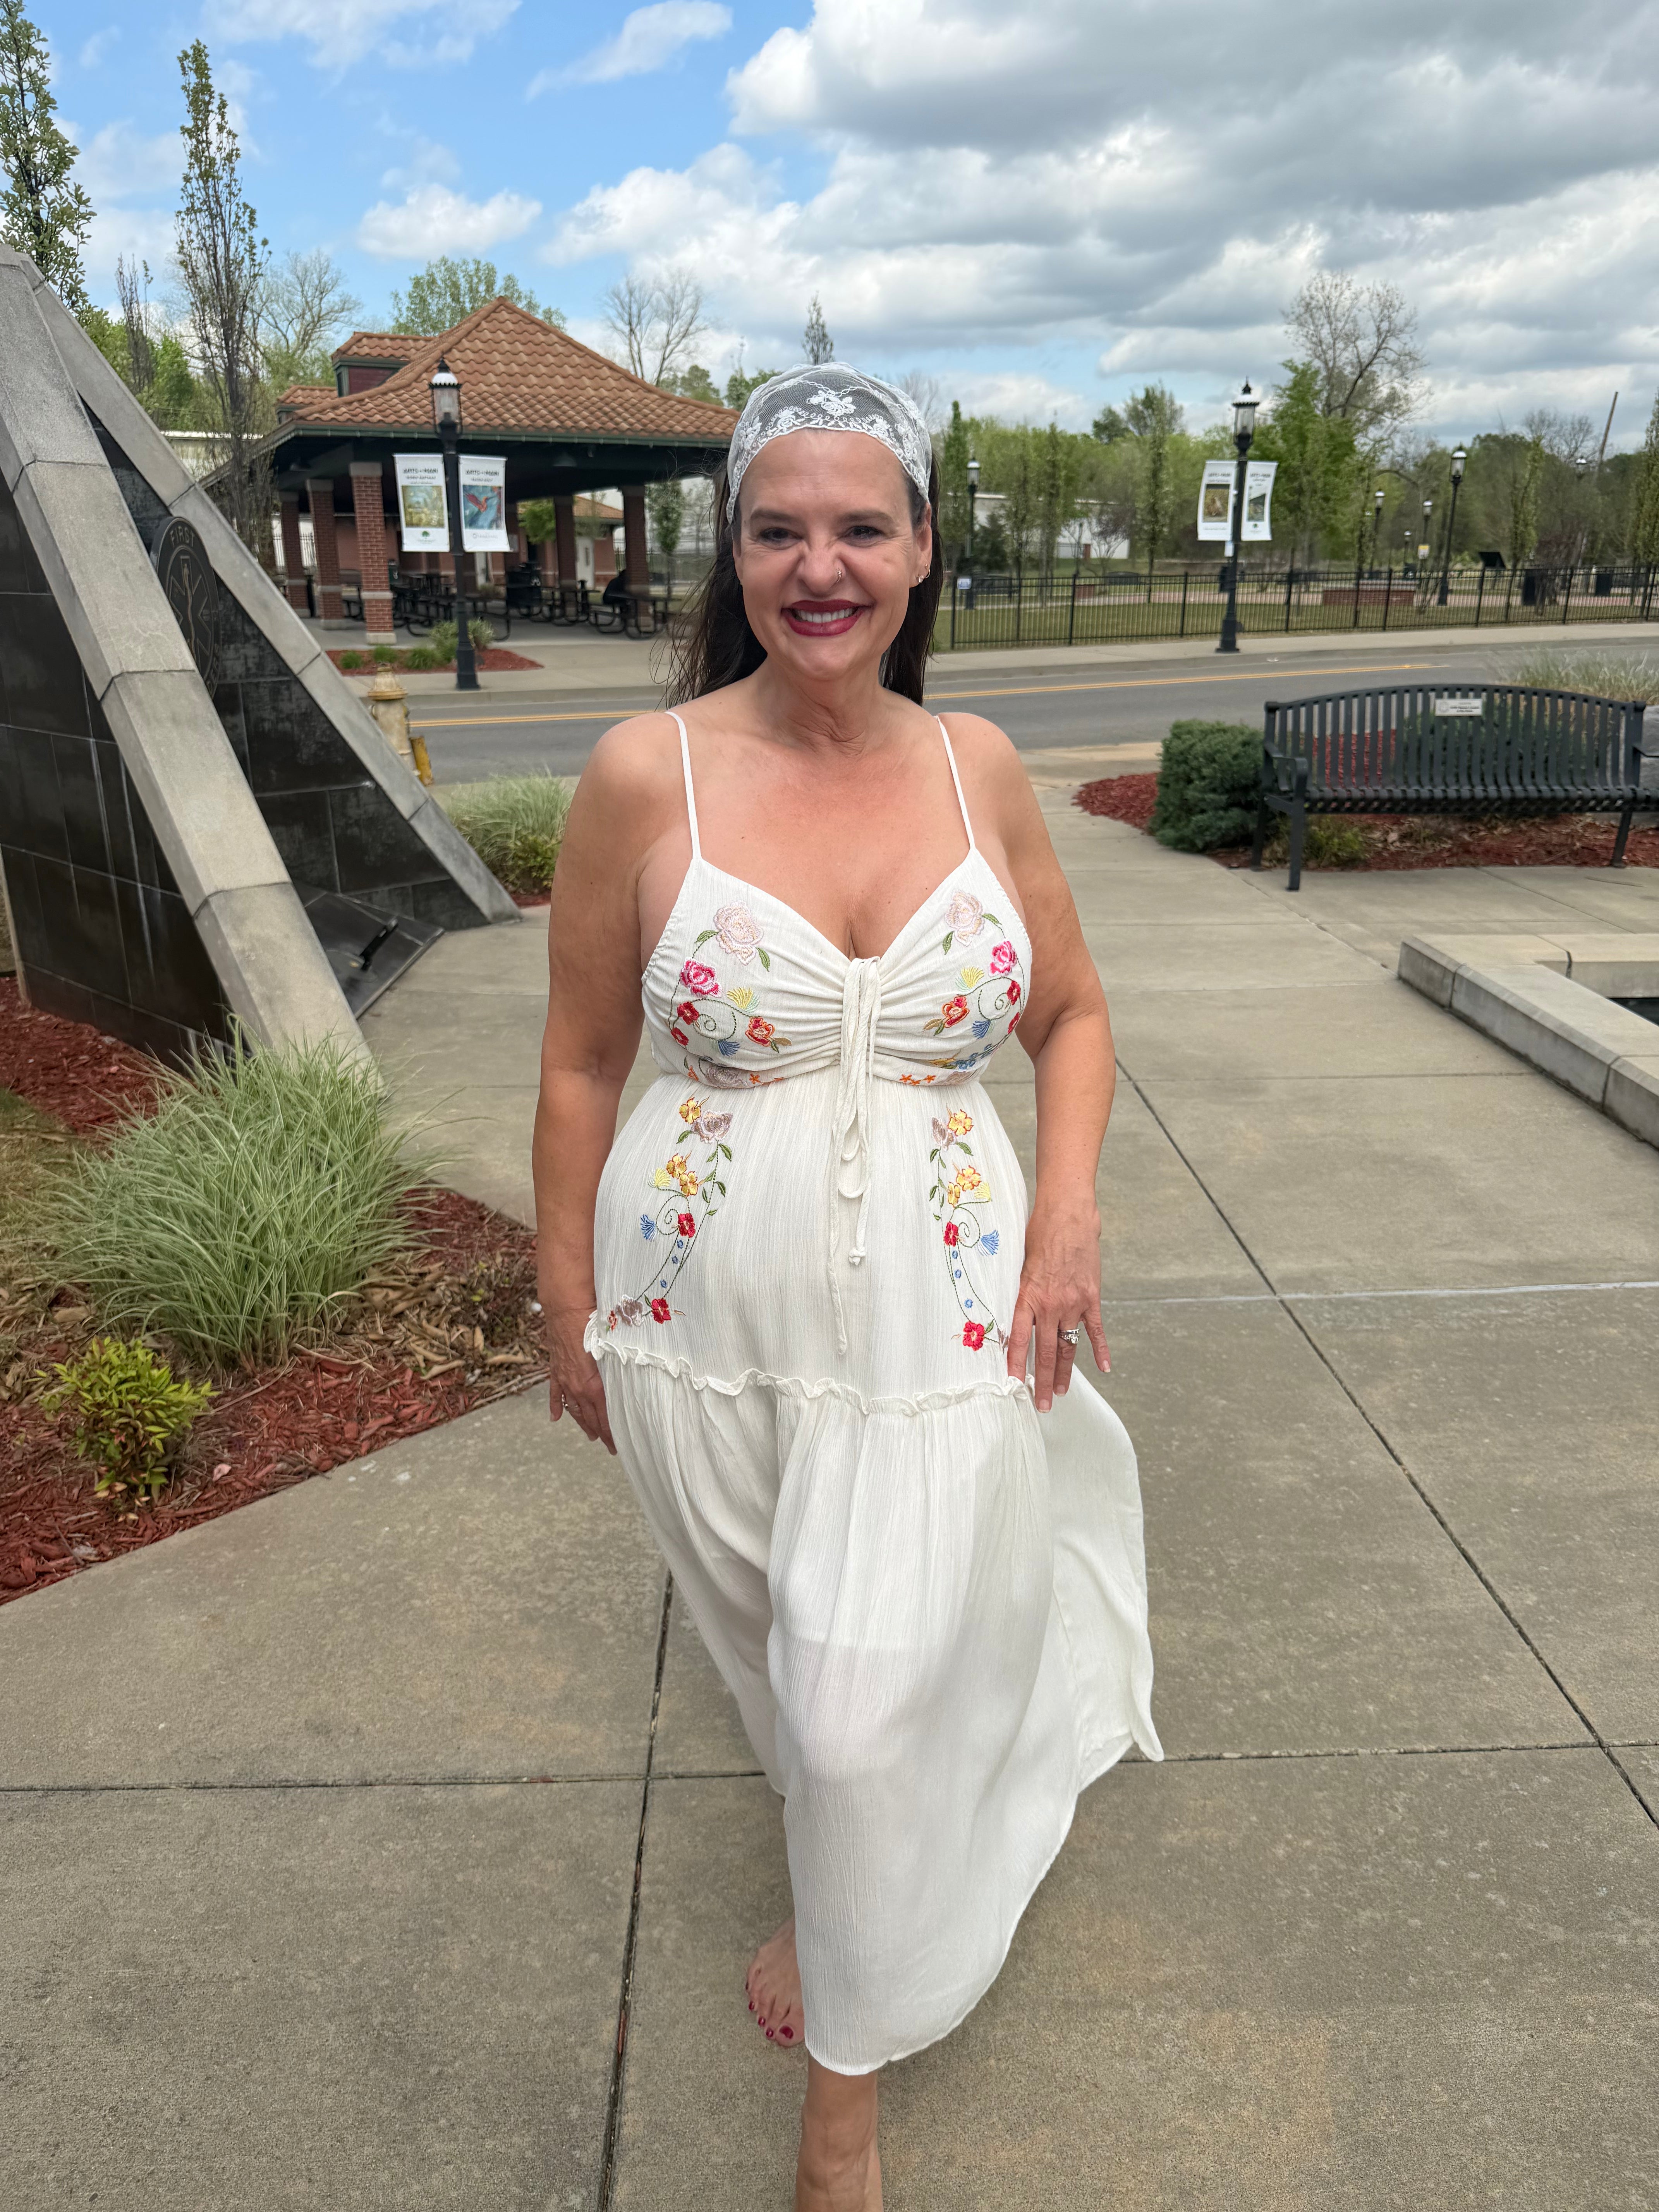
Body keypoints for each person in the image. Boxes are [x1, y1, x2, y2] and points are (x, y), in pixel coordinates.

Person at [533, 363, 1159, 2210]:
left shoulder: (976, 769)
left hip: (949, 1320)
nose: (822, 564)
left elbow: (1075, 1013)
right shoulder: (646, 775)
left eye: (861, 526)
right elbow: (580, 1061)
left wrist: (1068, 1220)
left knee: (867, 1695)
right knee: (784, 1666)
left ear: (921, 553)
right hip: (699, 1329)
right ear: (733, 556)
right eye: (780, 528)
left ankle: (843, 2123)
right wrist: (558, 1296)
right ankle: (843, 1887)